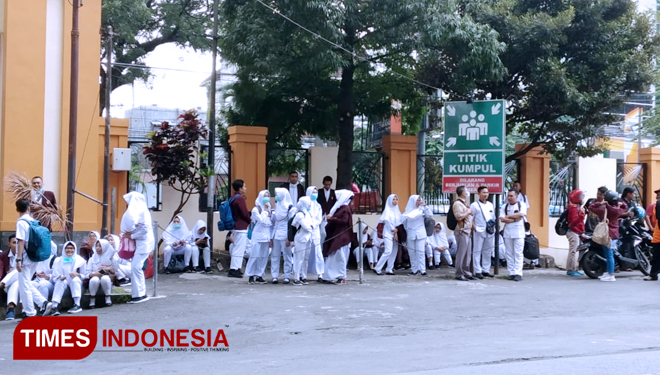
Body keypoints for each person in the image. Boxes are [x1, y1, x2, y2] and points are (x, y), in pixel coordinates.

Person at [14, 199, 49, 318]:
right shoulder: (34, 221)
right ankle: (43, 303)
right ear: (29, 208)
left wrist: (18, 259)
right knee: (27, 284)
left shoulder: (21, 223)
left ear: (17, 209)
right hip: (34, 256)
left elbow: (20, 241)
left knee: (24, 286)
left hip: (24, 257)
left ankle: (30, 313)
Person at [121, 192, 154, 303]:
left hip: (144, 243)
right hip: (141, 243)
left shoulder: (142, 212)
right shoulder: (140, 211)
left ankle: (139, 294)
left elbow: (144, 229)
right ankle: (138, 293)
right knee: (136, 267)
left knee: (136, 267)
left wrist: (132, 235)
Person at [588, 190, 628, 282]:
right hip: (614, 234)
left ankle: (611, 274)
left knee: (609, 254)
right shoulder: (618, 209)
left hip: (606, 233)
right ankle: (609, 272)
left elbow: (591, 206)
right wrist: (621, 203)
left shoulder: (603, 209)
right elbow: (625, 206)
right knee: (609, 254)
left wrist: (600, 203)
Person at [42, 241, 86, 315]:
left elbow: (85, 275)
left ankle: (77, 304)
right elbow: (54, 276)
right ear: (64, 249)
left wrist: (77, 274)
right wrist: (60, 277)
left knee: (75, 280)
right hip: (62, 286)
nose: (69, 250)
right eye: (67, 248)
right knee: (60, 281)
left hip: (75, 285)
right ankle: (54, 307)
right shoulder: (58, 260)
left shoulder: (80, 260)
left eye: (72, 248)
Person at [322, 190, 354, 284]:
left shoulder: (345, 208)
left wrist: (332, 218)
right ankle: (335, 276)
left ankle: (337, 276)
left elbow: (344, 221)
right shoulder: (342, 208)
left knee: (337, 256)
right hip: (339, 236)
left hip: (341, 237)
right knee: (337, 257)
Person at [245, 190, 272, 285]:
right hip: (257, 236)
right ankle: (251, 275)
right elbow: (261, 220)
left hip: (266, 235)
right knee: (254, 255)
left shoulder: (268, 207)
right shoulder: (256, 209)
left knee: (263, 256)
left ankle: (259, 275)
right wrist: (265, 212)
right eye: (265, 196)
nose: (267, 198)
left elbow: (269, 221)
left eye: (268, 196)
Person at [500, 189, 528, 281]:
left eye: (511, 196)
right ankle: (511, 272)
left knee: (518, 253)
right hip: (508, 233)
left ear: (516, 196)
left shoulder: (521, 205)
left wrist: (508, 216)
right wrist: (513, 218)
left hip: (519, 232)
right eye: (508, 196)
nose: (509, 198)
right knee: (509, 253)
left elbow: (521, 215)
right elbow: (502, 219)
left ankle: (518, 273)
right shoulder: (504, 206)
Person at [402, 195, 432, 276]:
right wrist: (409, 230)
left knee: (420, 252)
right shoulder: (407, 211)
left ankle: (422, 270)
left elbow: (430, 215)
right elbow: (404, 223)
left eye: (419, 200)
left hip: (420, 233)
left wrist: (425, 206)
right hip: (411, 233)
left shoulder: (422, 210)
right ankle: (414, 269)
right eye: (417, 200)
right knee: (412, 252)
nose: (419, 202)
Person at [270, 187, 295, 284]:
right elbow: (274, 222)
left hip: (285, 234)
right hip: (276, 233)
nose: (276, 196)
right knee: (274, 255)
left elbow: (291, 224)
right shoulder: (277, 205)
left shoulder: (290, 207)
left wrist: (289, 237)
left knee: (287, 255)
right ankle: (274, 276)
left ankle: (287, 276)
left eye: (277, 194)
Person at [470, 186, 495, 278]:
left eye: (487, 193)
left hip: (489, 230)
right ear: (479, 194)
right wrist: (475, 228)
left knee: (488, 251)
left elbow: (493, 217)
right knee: (477, 250)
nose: (486, 195)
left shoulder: (490, 204)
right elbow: (471, 218)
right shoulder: (474, 205)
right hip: (479, 230)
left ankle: (486, 270)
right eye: (484, 192)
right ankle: (477, 270)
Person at [374, 194, 402, 276]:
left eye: (396, 199)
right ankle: (378, 268)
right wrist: (394, 231)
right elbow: (387, 221)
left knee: (394, 251)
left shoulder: (397, 211)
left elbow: (400, 222)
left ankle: (389, 269)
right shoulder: (387, 211)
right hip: (388, 233)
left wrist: (397, 231)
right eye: (393, 199)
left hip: (395, 234)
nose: (395, 201)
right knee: (388, 251)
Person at [85, 239, 117, 309]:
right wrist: (95, 273)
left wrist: (108, 269)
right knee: (94, 279)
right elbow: (87, 274)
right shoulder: (92, 259)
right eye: (96, 246)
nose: (97, 248)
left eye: (100, 246)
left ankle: (108, 299)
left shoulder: (111, 259)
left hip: (107, 283)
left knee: (105, 278)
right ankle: (92, 300)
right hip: (94, 282)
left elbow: (116, 273)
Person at [229, 179, 251, 278]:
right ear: (240, 188)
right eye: (244, 187)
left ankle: (236, 268)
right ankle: (234, 269)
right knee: (239, 248)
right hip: (240, 226)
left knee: (237, 247)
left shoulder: (233, 197)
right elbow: (244, 213)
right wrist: (249, 218)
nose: (246, 188)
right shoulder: (240, 199)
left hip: (235, 225)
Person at [452, 186, 474, 281]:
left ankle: (466, 272)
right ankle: (459, 273)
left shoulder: (464, 204)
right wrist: (468, 212)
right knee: (461, 253)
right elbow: (459, 217)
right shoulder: (457, 204)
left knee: (467, 253)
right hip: (461, 231)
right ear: (462, 192)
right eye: (466, 190)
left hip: (468, 231)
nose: (467, 192)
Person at [292, 196, 314, 285]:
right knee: (299, 259)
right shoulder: (300, 214)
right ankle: (296, 278)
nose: (309, 205)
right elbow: (306, 227)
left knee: (305, 258)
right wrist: (310, 227)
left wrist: (310, 227)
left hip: (308, 239)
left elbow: (312, 225)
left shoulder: (308, 214)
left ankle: (303, 276)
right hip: (301, 238)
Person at [305, 186, 325, 281]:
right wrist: (308, 225)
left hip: (315, 230)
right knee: (305, 252)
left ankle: (320, 273)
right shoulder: (304, 204)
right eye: (313, 192)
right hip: (305, 230)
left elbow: (319, 219)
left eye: (316, 192)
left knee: (317, 252)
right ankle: (302, 273)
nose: (314, 194)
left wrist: (313, 224)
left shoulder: (318, 206)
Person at [566, 190, 586, 277]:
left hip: (575, 231)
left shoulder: (576, 207)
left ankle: (573, 269)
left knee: (574, 250)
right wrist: (581, 215)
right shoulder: (573, 208)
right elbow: (574, 221)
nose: (583, 199)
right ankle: (571, 269)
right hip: (572, 231)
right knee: (573, 251)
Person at [1, 234, 18, 320]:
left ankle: (10, 310)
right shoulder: (3, 256)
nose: (17, 245)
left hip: (24, 283)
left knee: (18, 274)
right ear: (9, 244)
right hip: (8, 285)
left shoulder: (25, 255)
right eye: (14, 243)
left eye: (18, 243)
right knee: (15, 282)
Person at [645, 191, 660, 281]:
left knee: (656, 256)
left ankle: (653, 274)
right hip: (657, 234)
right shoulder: (655, 205)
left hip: (658, 234)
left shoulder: (658, 203)